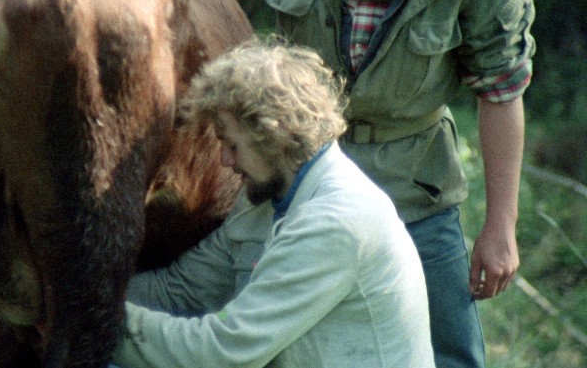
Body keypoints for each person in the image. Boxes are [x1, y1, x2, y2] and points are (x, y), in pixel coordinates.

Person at [188, 0, 536, 368]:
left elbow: (502, 95)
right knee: (255, 342)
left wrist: (501, 225)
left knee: (450, 354)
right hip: (291, 178)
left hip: (413, 190)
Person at [111, 38, 435, 368]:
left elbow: (225, 352)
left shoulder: (334, 222)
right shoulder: (265, 201)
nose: (224, 160)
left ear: (273, 136)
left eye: (232, 145)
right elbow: (180, 290)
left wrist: (94, 319)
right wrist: (87, 294)